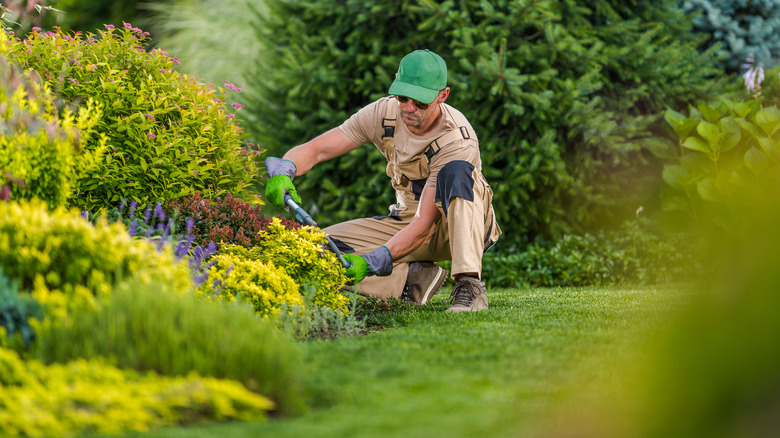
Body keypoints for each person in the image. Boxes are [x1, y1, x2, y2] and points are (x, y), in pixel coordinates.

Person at [264, 49, 501, 312]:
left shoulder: (457, 139)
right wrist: (285, 169)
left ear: (442, 95)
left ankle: (469, 286)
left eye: (421, 102)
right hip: (406, 220)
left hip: (455, 227)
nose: (409, 108)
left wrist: (372, 262)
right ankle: (412, 278)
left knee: (457, 172)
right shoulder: (383, 114)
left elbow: (425, 225)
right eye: (403, 97)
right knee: (316, 250)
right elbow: (319, 149)